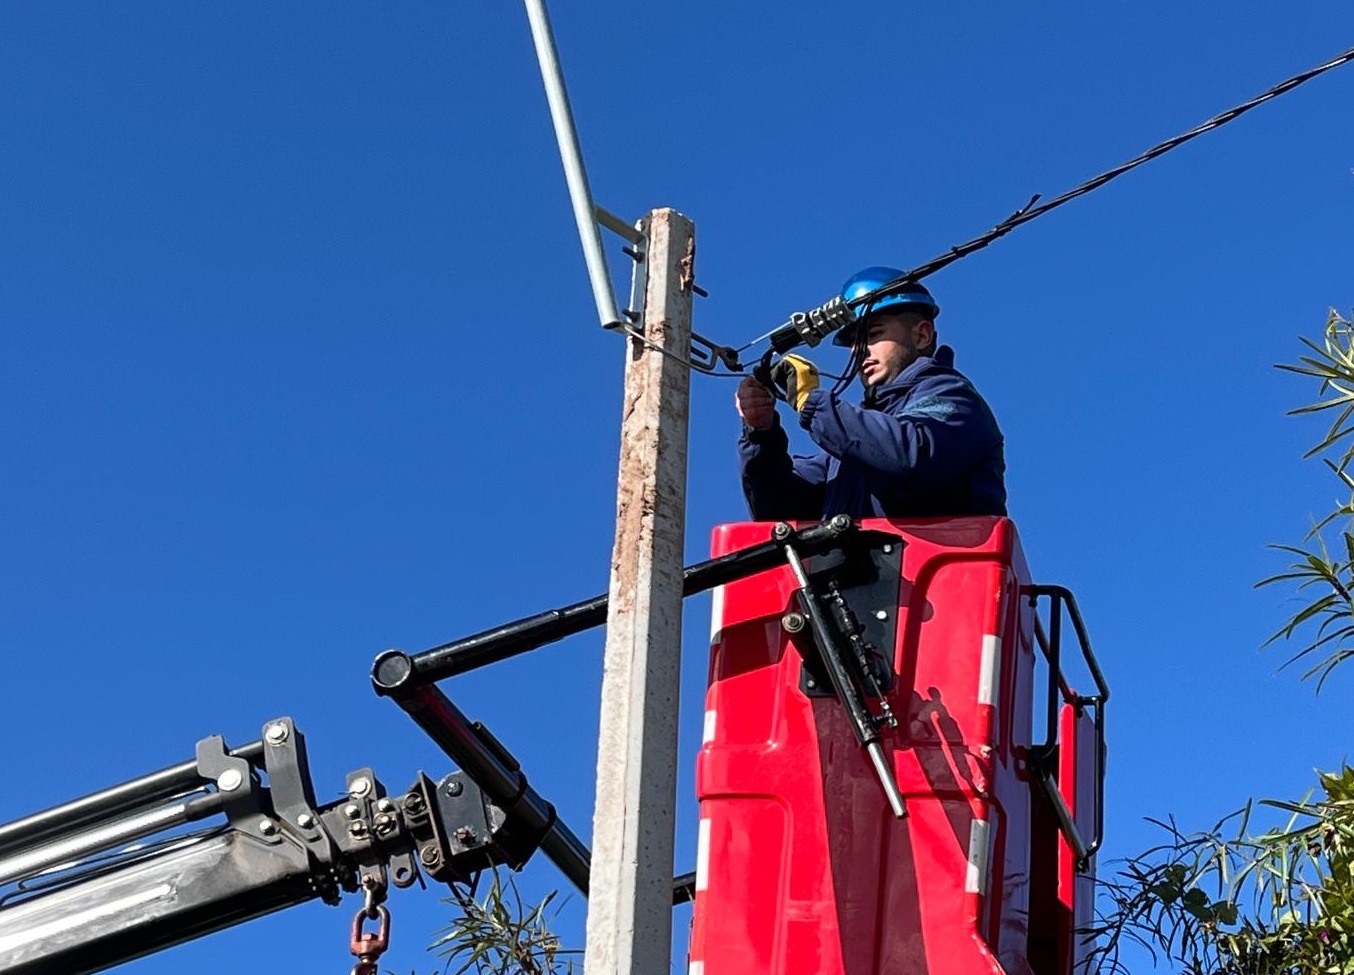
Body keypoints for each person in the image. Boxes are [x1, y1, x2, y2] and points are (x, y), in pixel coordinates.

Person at [736, 267, 1006, 521]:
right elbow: (778, 509)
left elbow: (910, 455)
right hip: (868, 570)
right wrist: (761, 434)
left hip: (941, 568)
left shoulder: (954, 398)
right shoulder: (851, 447)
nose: (858, 350)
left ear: (922, 336)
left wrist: (811, 402)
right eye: (853, 342)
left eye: (873, 334)